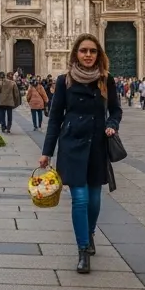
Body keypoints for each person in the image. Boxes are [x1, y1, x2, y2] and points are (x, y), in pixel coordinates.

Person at [39, 34, 122, 274]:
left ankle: (90, 232)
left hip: (97, 145)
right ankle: (83, 248)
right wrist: (47, 152)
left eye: (92, 51)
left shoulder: (107, 80)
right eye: (83, 50)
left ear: (99, 55)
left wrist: (112, 124)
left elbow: (116, 110)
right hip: (72, 146)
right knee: (81, 199)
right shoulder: (65, 81)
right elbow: (55, 119)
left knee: (94, 201)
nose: (88, 55)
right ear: (76, 53)